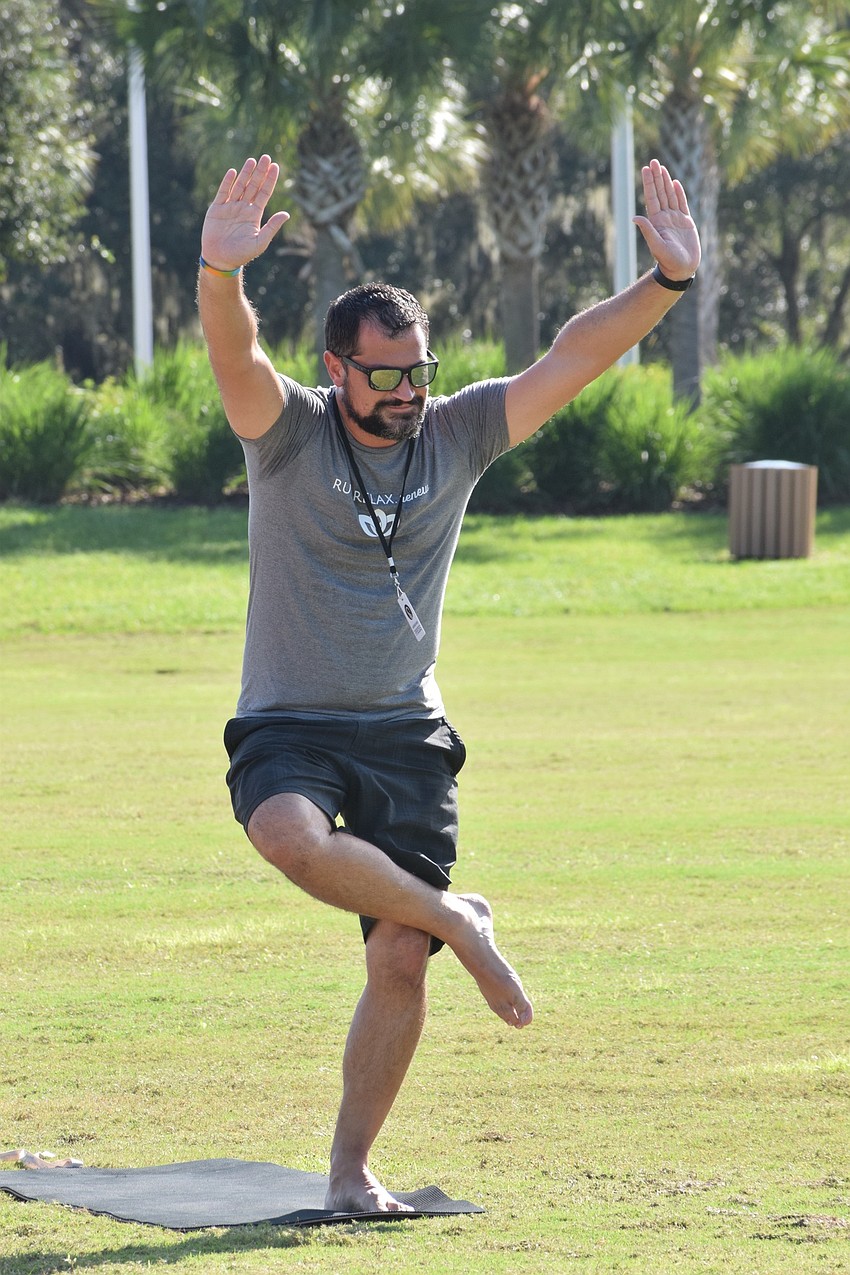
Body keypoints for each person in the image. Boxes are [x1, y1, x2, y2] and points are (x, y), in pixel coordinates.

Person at [198, 154, 700, 1214]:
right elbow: (235, 354)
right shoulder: (287, 435)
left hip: (405, 733)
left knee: (396, 963)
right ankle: (461, 921)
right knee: (287, 837)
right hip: (289, 718)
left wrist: (664, 286)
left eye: (418, 369)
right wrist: (218, 271)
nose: (408, 390)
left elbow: (571, 355)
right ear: (338, 369)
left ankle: (349, 1175)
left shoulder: (458, 433)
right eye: (385, 374)